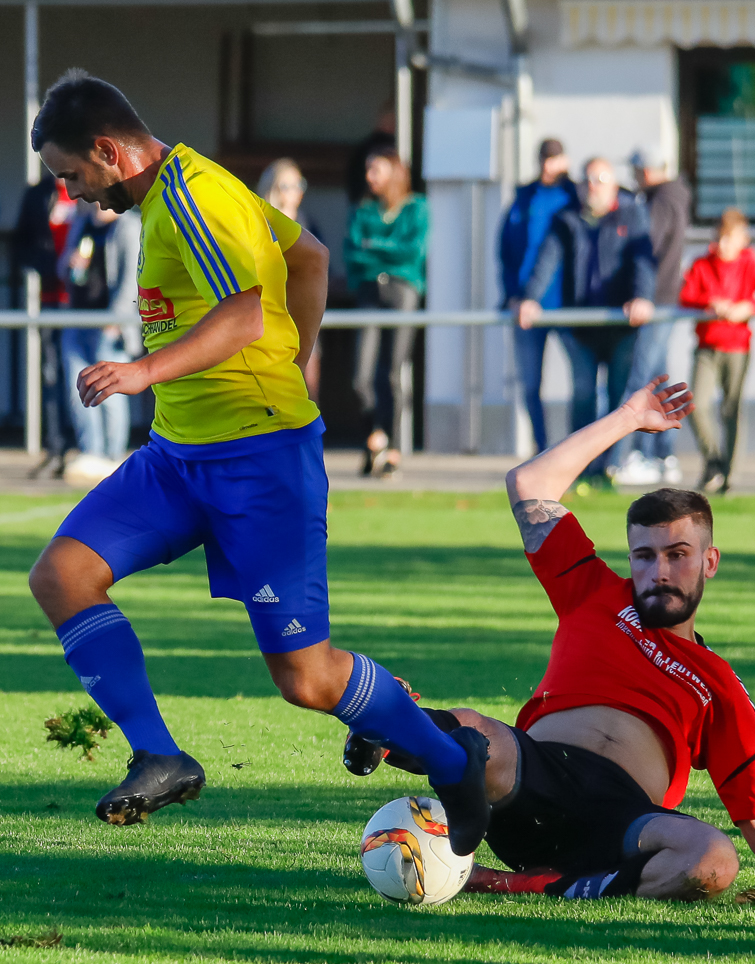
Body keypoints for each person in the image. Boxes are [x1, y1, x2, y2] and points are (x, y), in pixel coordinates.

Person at [25, 70, 490, 855]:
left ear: (108, 151)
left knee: (307, 680)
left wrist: (145, 371)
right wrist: (292, 358)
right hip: (177, 457)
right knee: (62, 575)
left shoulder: (194, 197)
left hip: (260, 464)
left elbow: (244, 312)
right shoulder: (181, 188)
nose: (70, 193)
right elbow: (309, 258)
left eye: (71, 175)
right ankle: (160, 755)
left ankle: (454, 760)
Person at [345, 379, 755, 901]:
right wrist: (629, 417)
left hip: (624, 824)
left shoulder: (717, 683)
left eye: (677, 554)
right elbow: (529, 484)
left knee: (714, 860)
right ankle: (387, 730)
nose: (659, 570)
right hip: (532, 780)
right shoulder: (592, 591)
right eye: (644, 555)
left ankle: (525, 884)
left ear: (709, 562)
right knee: (477, 735)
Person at [517, 157, 655, 487]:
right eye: (588, 180)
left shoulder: (632, 215)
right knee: (582, 394)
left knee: (620, 400)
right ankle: (581, 468)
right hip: (581, 328)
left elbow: (643, 261)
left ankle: (611, 467)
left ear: (613, 185)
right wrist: (531, 297)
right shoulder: (566, 219)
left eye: (600, 180)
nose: (593, 186)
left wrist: (641, 296)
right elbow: (547, 259)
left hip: (621, 327)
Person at [678, 208, 755, 493]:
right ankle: (714, 460)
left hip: (737, 347)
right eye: (720, 237)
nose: (723, 244)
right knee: (695, 404)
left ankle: (730, 475)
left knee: (732, 408)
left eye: (730, 238)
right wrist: (710, 303)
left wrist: (747, 307)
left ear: (743, 240)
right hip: (706, 346)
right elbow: (685, 295)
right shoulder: (702, 264)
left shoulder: (750, 265)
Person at [609, 145, 692, 487]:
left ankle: (639, 456)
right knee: (658, 380)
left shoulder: (660, 201)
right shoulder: (675, 196)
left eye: (635, 171)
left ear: (646, 170)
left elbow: (647, 248)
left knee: (642, 382)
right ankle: (663, 456)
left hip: (655, 302)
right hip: (664, 301)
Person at [345, 146, 428, 478]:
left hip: (402, 292)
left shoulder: (417, 208)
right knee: (361, 377)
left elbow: (413, 252)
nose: (369, 177)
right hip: (369, 292)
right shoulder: (363, 211)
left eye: (376, 169)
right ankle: (373, 437)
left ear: (394, 172)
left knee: (392, 372)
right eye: (367, 170)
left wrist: (374, 247)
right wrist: (385, 253)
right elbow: (352, 252)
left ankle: (391, 447)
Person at [499, 138, 578, 454]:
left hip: (567, 306)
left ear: (565, 161)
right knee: (530, 384)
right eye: (544, 158)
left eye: (554, 158)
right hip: (525, 308)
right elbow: (505, 251)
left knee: (584, 383)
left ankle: (578, 453)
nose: (548, 165)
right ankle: (542, 450)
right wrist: (511, 294)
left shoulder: (575, 196)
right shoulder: (524, 199)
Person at [58, 202, 141, 482]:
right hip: (77, 320)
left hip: (110, 326)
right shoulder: (81, 223)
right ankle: (91, 452)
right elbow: (62, 268)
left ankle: (112, 456)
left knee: (110, 392)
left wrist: (116, 320)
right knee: (79, 390)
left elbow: (133, 278)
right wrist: (70, 264)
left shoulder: (129, 225)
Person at [15, 172, 82, 479]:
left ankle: (92, 450)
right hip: (50, 301)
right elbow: (21, 244)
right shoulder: (38, 194)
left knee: (87, 375)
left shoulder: (89, 185)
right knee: (52, 377)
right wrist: (49, 266)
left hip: (85, 306)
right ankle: (56, 450)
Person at [257, 158, 323, 399]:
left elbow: (319, 265)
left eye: (299, 184)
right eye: (286, 185)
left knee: (308, 386)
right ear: (272, 188)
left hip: (303, 313)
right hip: (270, 315)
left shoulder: (308, 223)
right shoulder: (260, 223)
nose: (295, 191)